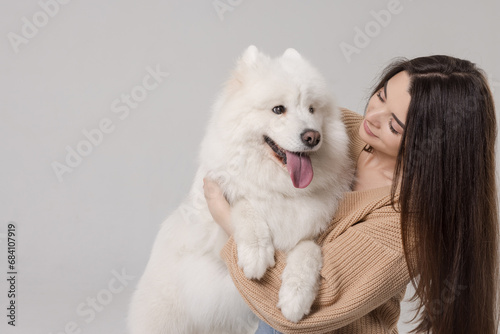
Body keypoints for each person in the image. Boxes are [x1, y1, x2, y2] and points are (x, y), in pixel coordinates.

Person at [203, 55, 499, 334]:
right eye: (381, 96)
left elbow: (309, 309)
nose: (374, 116)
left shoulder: (405, 224)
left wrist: (230, 220)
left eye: (394, 123)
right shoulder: (337, 131)